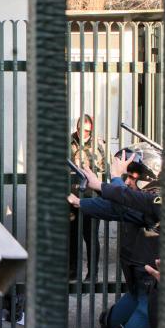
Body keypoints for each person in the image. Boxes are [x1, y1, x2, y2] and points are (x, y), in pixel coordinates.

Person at [72, 146, 161, 328]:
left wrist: (114, 179)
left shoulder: (158, 203)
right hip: (137, 288)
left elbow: (125, 200)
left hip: (153, 295)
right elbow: (117, 207)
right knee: (110, 323)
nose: (128, 182)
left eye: (133, 177)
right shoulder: (140, 201)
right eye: (127, 177)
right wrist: (79, 202)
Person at [69, 114, 106, 281]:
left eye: (87, 131)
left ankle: (93, 274)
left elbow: (106, 170)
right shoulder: (68, 142)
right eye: (80, 129)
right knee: (72, 237)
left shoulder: (98, 145)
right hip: (71, 197)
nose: (83, 133)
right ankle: (73, 272)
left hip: (91, 198)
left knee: (91, 238)